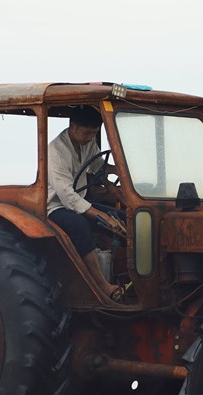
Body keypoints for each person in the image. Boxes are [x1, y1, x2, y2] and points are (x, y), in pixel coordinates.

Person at [47, 105, 128, 301]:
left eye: (94, 133)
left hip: (79, 201)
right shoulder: (55, 152)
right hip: (55, 206)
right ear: (72, 126)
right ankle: (102, 285)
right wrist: (99, 215)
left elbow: (98, 166)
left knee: (123, 218)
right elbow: (66, 194)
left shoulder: (87, 144)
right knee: (80, 225)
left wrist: (123, 172)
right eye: (87, 132)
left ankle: (129, 275)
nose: (91, 137)